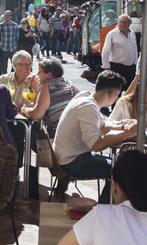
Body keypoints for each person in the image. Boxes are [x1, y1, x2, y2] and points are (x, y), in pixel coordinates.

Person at [52, 70, 135, 200]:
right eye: (117, 95)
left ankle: (107, 207)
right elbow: (95, 145)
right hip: (72, 161)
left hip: (71, 156)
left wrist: (123, 125)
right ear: (112, 94)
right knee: (120, 171)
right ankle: (105, 209)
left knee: (120, 165)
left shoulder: (86, 97)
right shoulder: (88, 107)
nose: (116, 99)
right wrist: (128, 133)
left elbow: (102, 125)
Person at [21, 57, 79, 138]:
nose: (37, 74)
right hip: (76, 133)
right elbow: (43, 104)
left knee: (27, 134)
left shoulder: (47, 86)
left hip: (58, 135)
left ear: (49, 75)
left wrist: (24, 109)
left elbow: (36, 115)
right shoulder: (68, 83)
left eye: (39, 71)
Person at [101, 14, 138, 87]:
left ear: (129, 24)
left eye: (125, 22)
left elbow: (135, 49)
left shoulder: (132, 33)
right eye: (121, 22)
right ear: (118, 22)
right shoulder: (112, 34)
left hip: (131, 68)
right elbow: (106, 51)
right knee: (116, 92)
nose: (123, 24)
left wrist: (136, 63)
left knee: (130, 92)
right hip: (117, 68)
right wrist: (106, 67)